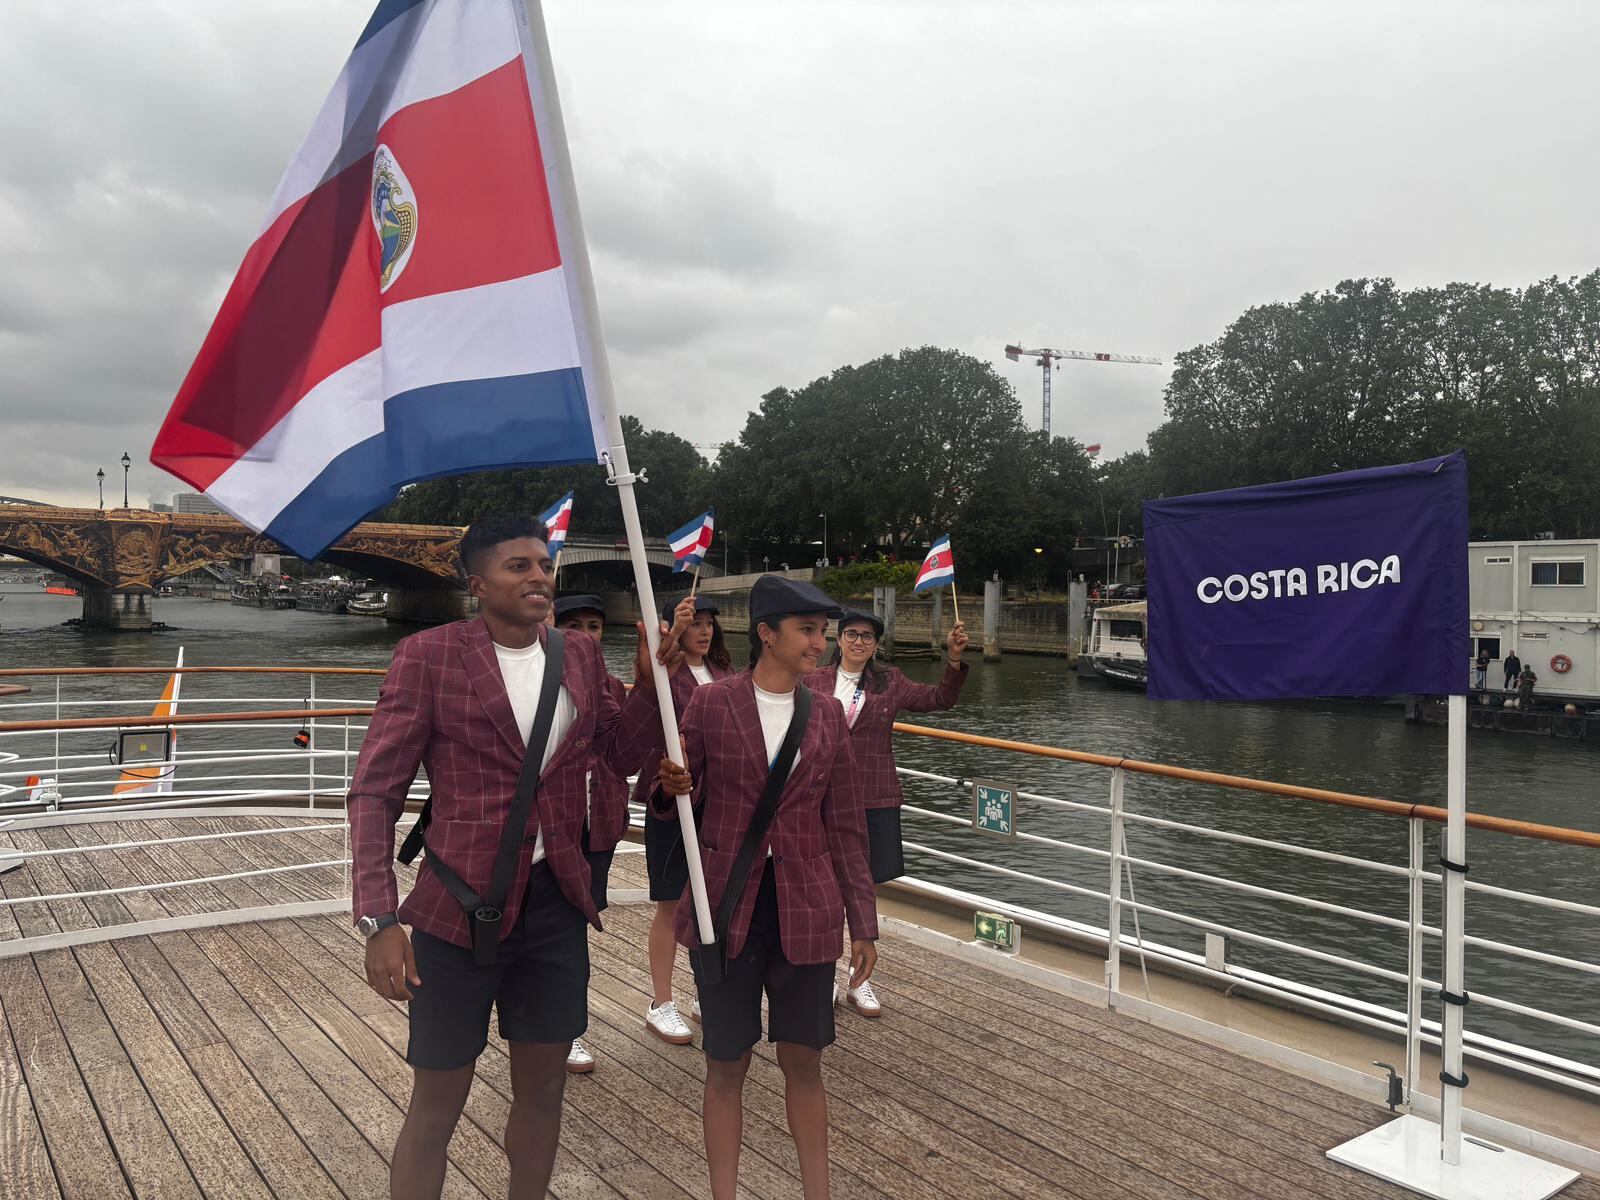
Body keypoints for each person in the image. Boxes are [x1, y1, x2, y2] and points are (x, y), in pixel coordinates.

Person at [347, 513, 684, 1200]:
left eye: (542, 564)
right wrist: (378, 919)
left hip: (557, 903)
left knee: (545, 1089)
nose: (538, 577)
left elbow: (615, 758)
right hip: (457, 910)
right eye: (518, 566)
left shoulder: (581, 656)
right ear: (477, 584)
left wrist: (651, 690)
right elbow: (375, 791)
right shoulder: (430, 656)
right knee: (438, 1099)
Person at [655, 575, 877, 1200]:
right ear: (766, 633)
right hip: (725, 908)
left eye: (823, 633)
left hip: (808, 906)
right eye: (807, 631)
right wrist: (669, 784)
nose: (820, 644)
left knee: (804, 1061)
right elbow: (669, 799)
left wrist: (863, 920)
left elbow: (846, 824)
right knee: (726, 1063)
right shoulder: (712, 704)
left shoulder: (828, 714)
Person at [803, 609, 969, 1016]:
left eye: (867, 637)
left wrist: (953, 659)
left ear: (877, 645)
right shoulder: (813, 680)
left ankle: (859, 982)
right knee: (823, 888)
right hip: (818, 796)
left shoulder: (889, 681)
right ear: (837, 640)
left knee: (863, 889)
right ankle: (822, 979)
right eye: (851, 635)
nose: (858, 642)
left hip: (872, 797)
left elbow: (939, 700)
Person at [643, 594, 735, 1044]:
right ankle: (661, 1002)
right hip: (672, 795)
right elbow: (652, 673)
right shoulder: (668, 671)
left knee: (710, 902)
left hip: (717, 799)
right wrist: (671, 635)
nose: (703, 631)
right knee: (669, 902)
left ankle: (703, 992)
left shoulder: (726, 675)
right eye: (693, 623)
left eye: (707, 624)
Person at [551, 593, 631, 1075]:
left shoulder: (614, 688)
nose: (584, 634)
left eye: (595, 625)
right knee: (556, 931)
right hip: (547, 828)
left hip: (595, 823)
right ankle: (560, 1025)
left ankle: (567, 1027)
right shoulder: (540, 682)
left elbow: (624, 755)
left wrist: (647, 685)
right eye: (573, 624)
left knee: (577, 927)